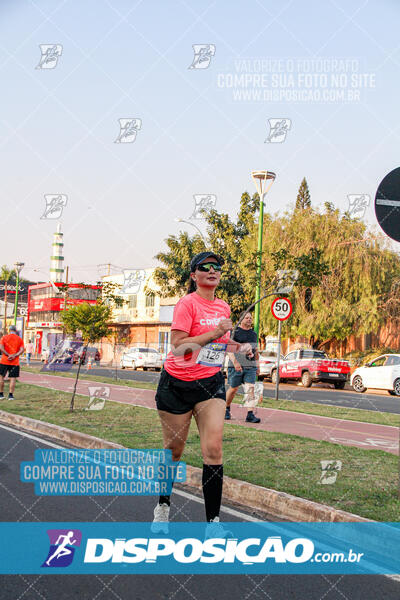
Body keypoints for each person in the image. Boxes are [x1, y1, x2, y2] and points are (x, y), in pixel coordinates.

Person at [152, 252, 252, 536]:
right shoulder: (186, 304)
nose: (212, 271)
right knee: (174, 451)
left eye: (217, 267)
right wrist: (214, 333)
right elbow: (178, 348)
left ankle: (213, 525)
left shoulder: (223, 306)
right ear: (194, 275)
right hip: (176, 386)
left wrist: (239, 347)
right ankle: (163, 505)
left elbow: (220, 342)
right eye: (205, 267)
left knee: (214, 449)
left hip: (210, 385)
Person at [225, 312, 261, 423]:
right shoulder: (234, 332)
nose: (249, 319)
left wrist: (258, 364)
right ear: (241, 320)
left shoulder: (253, 334)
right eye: (247, 318)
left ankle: (250, 414)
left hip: (250, 366)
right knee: (233, 389)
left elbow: (255, 350)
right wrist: (235, 362)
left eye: (251, 318)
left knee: (250, 387)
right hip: (236, 365)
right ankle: (226, 408)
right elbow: (229, 349)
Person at [0, 325, 25, 400]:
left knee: (1, 377)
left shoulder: (4, 338)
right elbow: (22, 349)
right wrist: (15, 355)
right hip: (15, 362)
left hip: (4, 360)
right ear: (15, 330)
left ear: (9, 330)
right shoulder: (19, 339)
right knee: (13, 378)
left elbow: (1, 348)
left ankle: (1, 394)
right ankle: (11, 395)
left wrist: (7, 354)